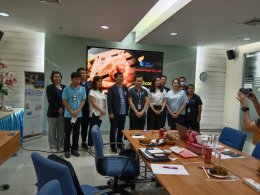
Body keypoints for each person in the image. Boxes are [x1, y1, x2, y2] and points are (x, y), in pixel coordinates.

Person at [62, 72, 86, 158]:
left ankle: (74, 149)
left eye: (79, 79)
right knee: (67, 133)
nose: (78, 81)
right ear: (71, 79)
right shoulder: (66, 89)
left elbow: (83, 100)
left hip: (78, 115)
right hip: (68, 115)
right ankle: (67, 150)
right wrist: (71, 111)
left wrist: (78, 110)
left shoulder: (82, 89)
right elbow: (64, 101)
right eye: (76, 79)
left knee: (76, 133)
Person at [107, 72, 128, 153]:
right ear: (115, 78)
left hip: (123, 113)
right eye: (119, 77)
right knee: (113, 130)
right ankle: (113, 146)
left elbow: (126, 100)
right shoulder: (111, 88)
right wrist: (110, 113)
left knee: (121, 130)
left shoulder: (125, 88)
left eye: (122, 77)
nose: (121, 78)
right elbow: (109, 102)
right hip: (114, 113)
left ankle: (119, 144)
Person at [46, 71, 66, 152]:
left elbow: (66, 99)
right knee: (52, 130)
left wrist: (62, 108)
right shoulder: (49, 87)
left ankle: (60, 145)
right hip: (52, 112)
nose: (57, 78)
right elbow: (50, 100)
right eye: (56, 77)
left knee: (61, 130)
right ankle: (53, 146)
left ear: (61, 78)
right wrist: (58, 108)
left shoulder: (65, 87)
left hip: (63, 112)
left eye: (59, 77)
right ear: (52, 78)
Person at [88, 76, 106, 148]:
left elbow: (104, 102)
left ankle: (95, 144)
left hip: (100, 114)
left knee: (97, 130)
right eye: (98, 81)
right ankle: (90, 145)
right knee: (92, 130)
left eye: (101, 81)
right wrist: (101, 110)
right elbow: (93, 104)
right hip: (94, 113)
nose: (100, 83)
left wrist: (104, 110)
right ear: (95, 82)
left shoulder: (102, 92)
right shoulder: (92, 91)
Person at [77, 67, 91, 150]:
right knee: (77, 126)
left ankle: (84, 141)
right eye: (81, 73)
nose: (83, 75)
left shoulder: (89, 84)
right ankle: (75, 143)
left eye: (84, 73)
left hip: (88, 109)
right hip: (78, 109)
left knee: (85, 126)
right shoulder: (76, 84)